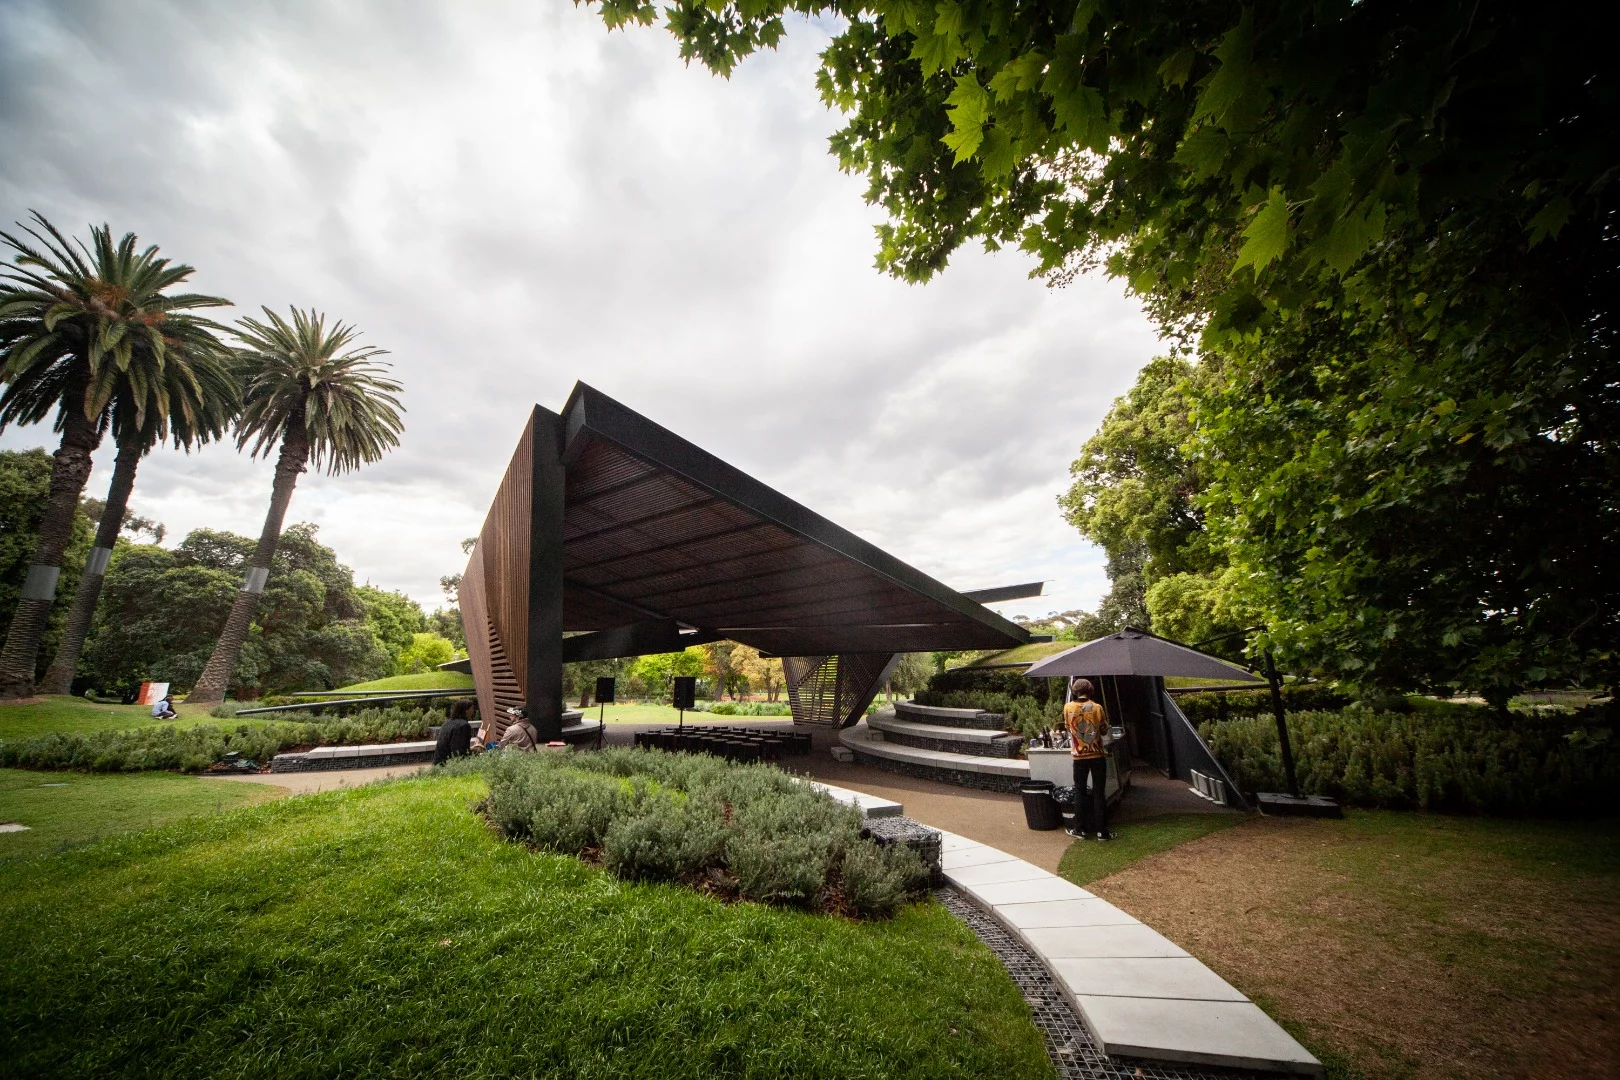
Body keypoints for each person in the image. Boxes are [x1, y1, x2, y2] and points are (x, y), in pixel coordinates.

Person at [1064, 678, 1112, 840]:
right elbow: (1104, 731)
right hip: (1097, 755)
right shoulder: (1097, 708)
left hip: (1079, 757)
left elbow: (1068, 728)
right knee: (1099, 792)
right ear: (1090, 690)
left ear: (1075, 691)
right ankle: (1102, 832)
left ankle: (1079, 829)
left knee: (1080, 791)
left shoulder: (1068, 707)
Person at [432, 700, 474, 765]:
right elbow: (459, 753)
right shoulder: (463, 726)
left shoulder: (448, 722)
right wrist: (475, 751)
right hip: (448, 767)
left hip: (438, 764)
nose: (473, 711)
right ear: (466, 710)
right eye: (472, 708)